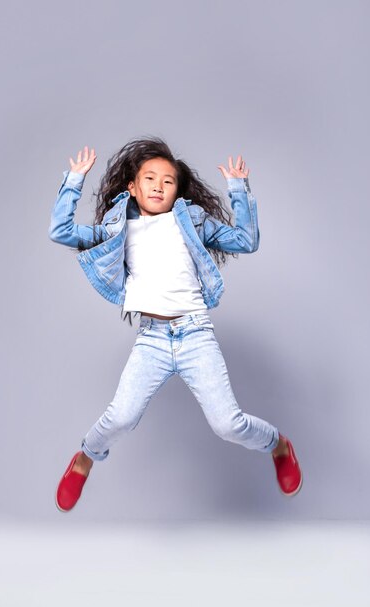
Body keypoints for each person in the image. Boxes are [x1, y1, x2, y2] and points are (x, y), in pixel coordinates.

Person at [49, 137, 303, 512]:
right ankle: (85, 458)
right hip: (151, 338)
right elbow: (62, 232)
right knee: (120, 417)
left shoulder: (192, 221)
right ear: (132, 188)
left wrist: (238, 188)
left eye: (167, 181)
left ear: (177, 190)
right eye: (149, 178)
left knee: (228, 424)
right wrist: (73, 180)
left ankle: (278, 445)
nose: (158, 185)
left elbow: (246, 241)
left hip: (195, 333)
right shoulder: (118, 227)